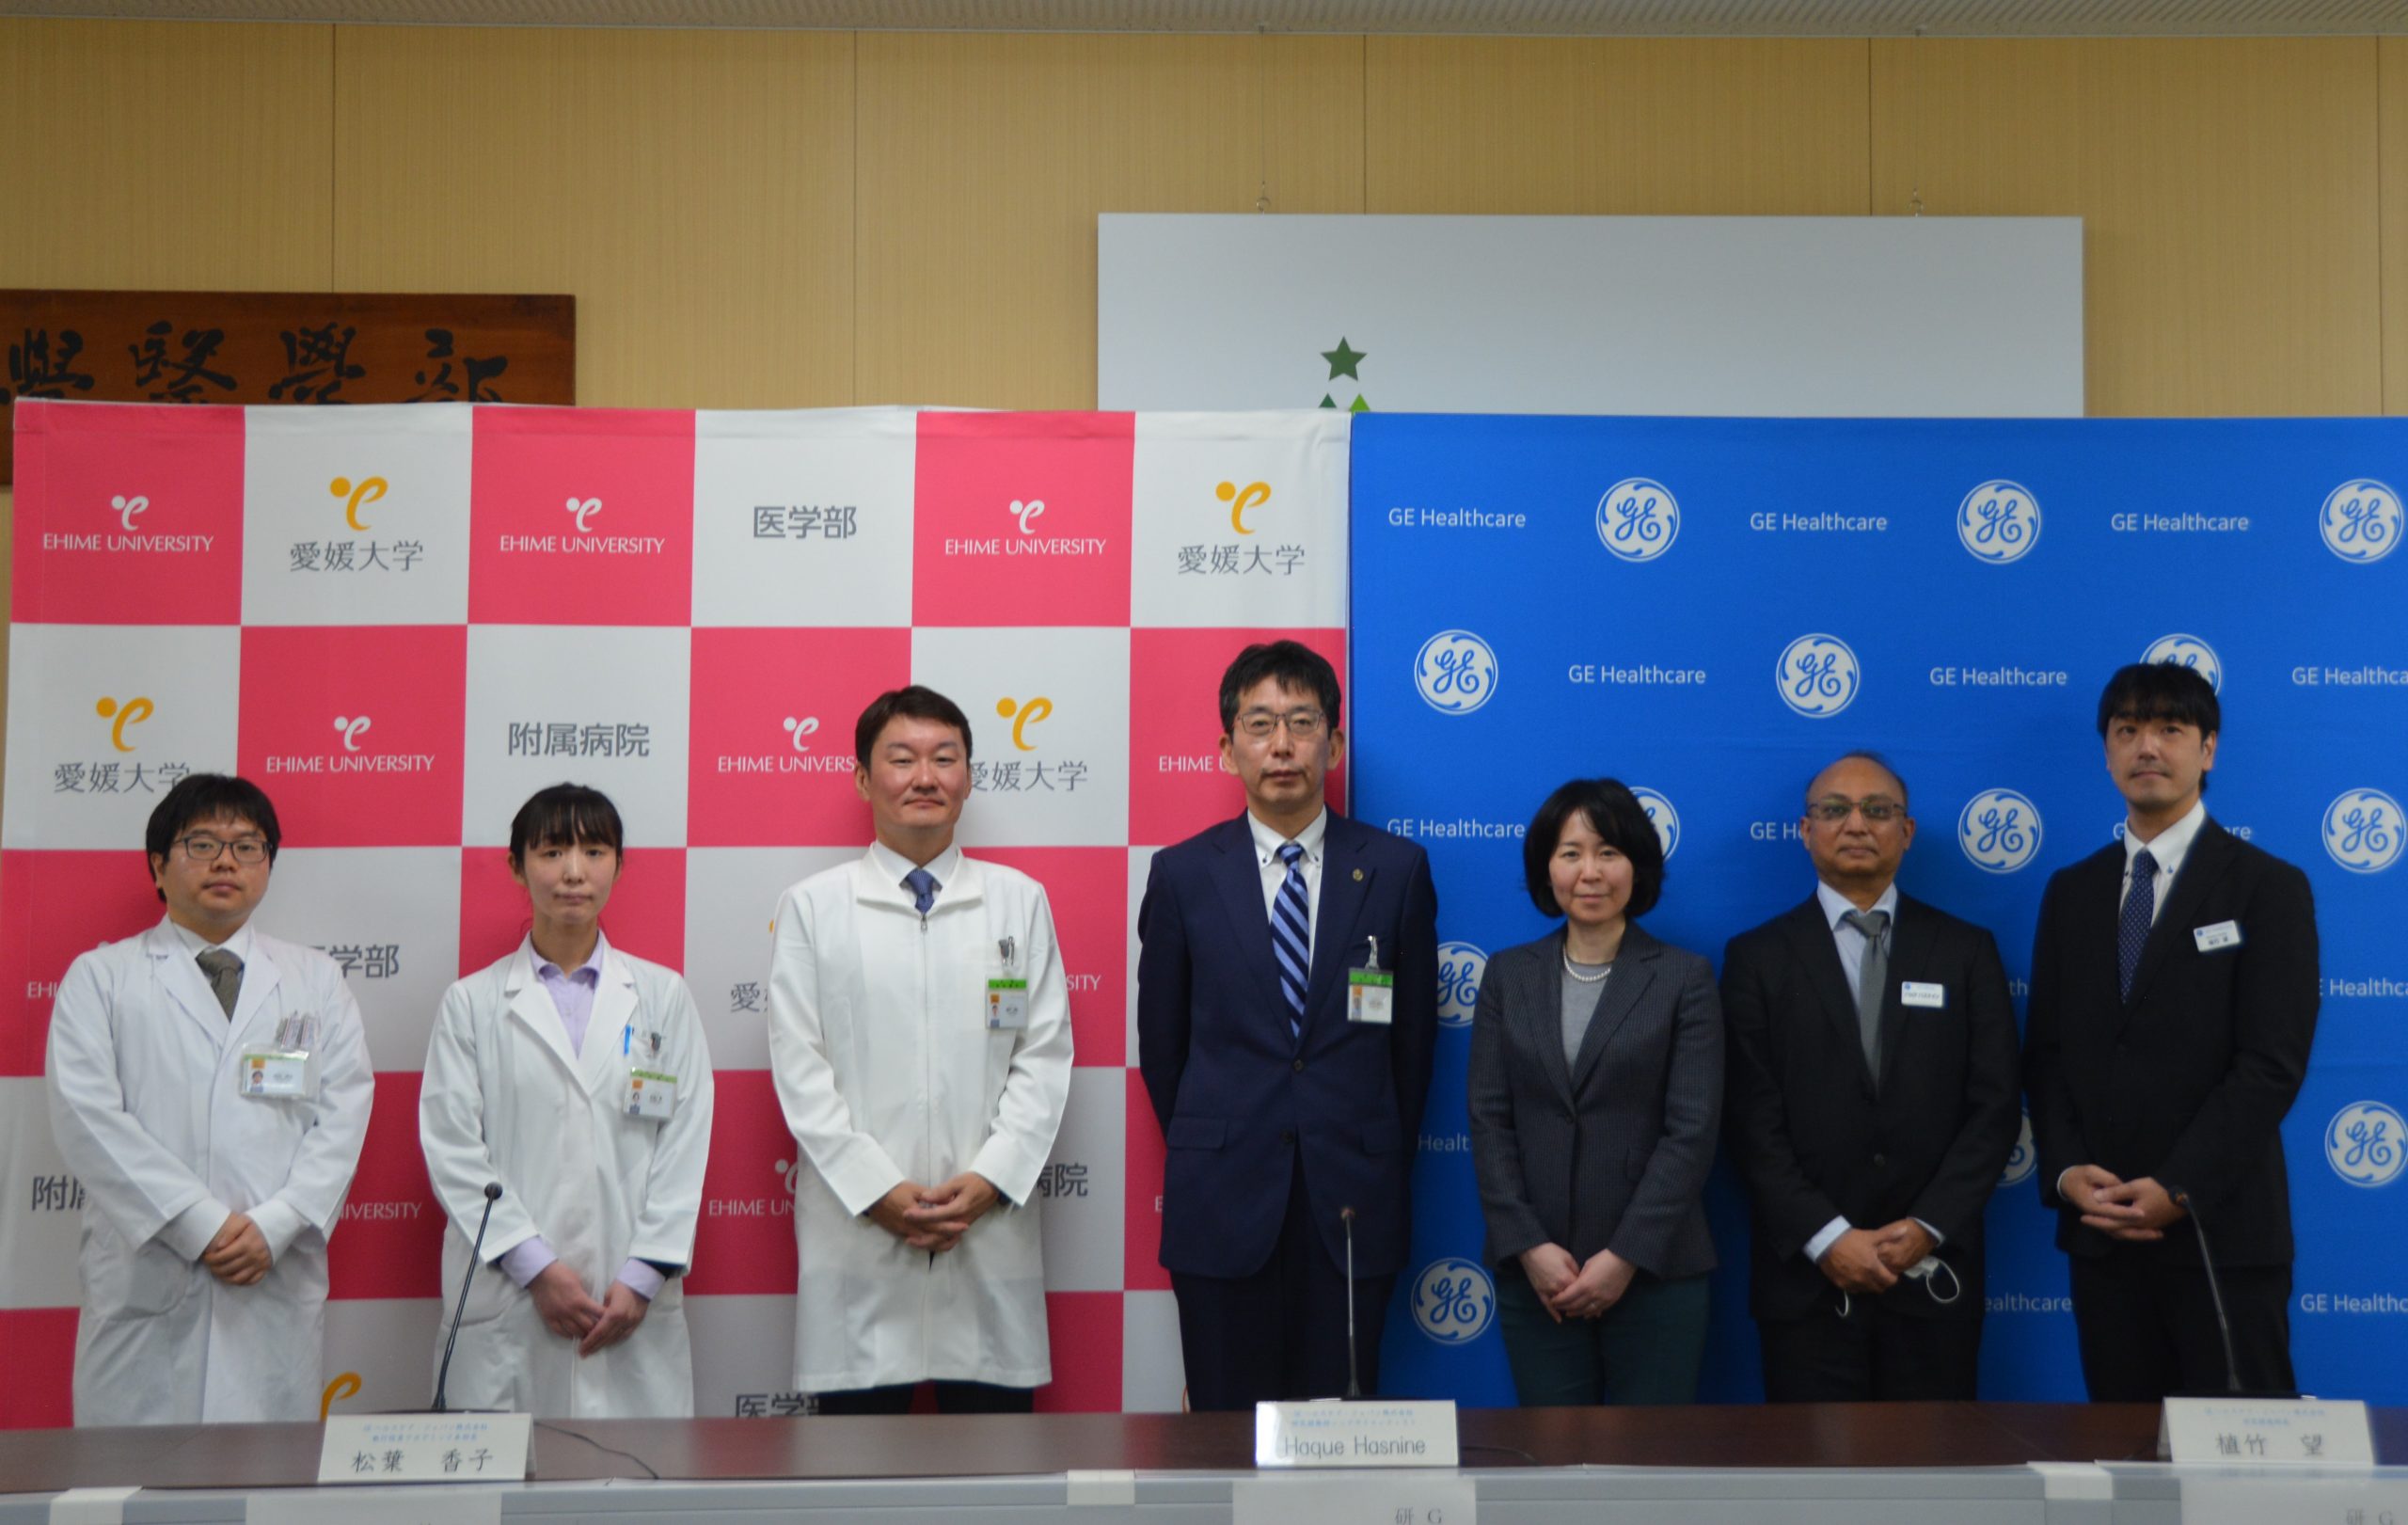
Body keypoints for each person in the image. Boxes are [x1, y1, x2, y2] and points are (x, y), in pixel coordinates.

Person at [1136, 640, 1438, 1410]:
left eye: (1302, 723)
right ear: (1226, 747)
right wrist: (1224, 1134)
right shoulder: (1183, 874)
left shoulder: (1396, 870)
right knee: (1225, 1431)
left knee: (1342, 1431)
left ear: (1333, 745)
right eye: (1261, 723)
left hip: (1352, 1200)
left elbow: (1411, 1050)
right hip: (1222, 1197)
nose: (1281, 745)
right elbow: (1163, 1047)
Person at [768, 686, 1073, 1413]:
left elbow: (1044, 1053)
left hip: (985, 1227)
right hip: (861, 1235)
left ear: (969, 776)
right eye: (901, 759)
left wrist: (992, 1177)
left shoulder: (1018, 900)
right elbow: (800, 1065)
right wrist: (877, 1190)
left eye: (945, 758)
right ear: (862, 778)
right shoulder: (813, 906)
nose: (924, 777)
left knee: (996, 1458)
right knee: (857, 1465)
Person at [2024, 662, 2320, 1401]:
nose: (2147, 747)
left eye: (2170, 729)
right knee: (2122, 1453)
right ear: (2107, 751)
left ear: (2208, 748)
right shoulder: (2071, 891)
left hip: (2223, 1231)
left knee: (2239, 1459)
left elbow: (2271, 1064)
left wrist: (2178, 1185)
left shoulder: (2268, 886)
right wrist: (2067, 1173)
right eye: (2127, 730)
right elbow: (2048, 1055)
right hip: (2102, 1232)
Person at [44, 773, 373, 1424]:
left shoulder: (315, 979)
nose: (226, 861)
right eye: (202, 844)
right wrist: (200, 1223)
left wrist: (277, 1223)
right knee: (134, 1476)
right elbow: (89, 1119)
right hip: (150, 1275)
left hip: (272, 1271)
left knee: (264, 1475)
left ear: (269, 865)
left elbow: (343, 1113)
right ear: (157, 866)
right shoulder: (102, 977)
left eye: (247, 846)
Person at [1720, 752, 2020, 1402]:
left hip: (1935, 1274)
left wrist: (1928, 1226)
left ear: (1905, 832)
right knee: (1814, 1467)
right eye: (1835, 809)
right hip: (1808, 1283)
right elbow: (1748, 1121)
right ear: (1806, 830)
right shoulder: (1756, 958)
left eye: (1877, 810)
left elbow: (1995, 1108)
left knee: (1934, 1465)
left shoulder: (1966, 950)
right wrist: (1828, 1238)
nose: (1856, 824)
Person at [419, 784, 715, 1417]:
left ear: (619, 865)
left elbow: (685, 1146)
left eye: (594, 851)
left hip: (630, 1300)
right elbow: (452, 1149)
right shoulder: (471, 1003)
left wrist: (642, 1276)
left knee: (633, 1473)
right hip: (510, 1297)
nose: (574, 872)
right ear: (517, 866)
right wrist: (537, 1268)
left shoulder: (663, 996)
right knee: (510, 1476)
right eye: (552, 852)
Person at [1465, 776, 1722, 1406]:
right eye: (1571, 852)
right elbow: (1489, 1120)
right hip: (1538, 1275)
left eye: (1608, 852)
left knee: (1650, 1459)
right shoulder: (1507, 975)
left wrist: (1624, 1256)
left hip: (1657, 1272)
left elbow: (1691, 1131)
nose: (1590, 872)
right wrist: (1530, 1246)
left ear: (1637, 865)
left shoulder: (1684, 978)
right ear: (1546, 867)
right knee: (1552, 1457)